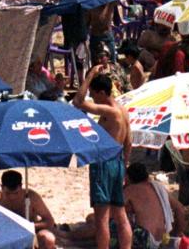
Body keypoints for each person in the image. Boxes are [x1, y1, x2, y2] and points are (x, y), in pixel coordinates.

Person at [74, 69, 133, 249]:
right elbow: (129, 141)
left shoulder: (109, 110)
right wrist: (125, 165)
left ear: (101, 92)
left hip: (104, 163)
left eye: (93, 94)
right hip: (118, 162)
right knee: (120, 214)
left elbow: (78, 102)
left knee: (102, 217)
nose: (92, 97)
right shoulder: (123, 111)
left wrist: (89, 75)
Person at [123, 162, 185, 247]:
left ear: (128, 178)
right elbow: (180, 209)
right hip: (164, 239)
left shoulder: (130, 190)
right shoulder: (158, 187)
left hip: (145, 240)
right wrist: (175, 235)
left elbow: (114, 212)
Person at [0, 170, 56, 249]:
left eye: (16, 193)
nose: (12, 197)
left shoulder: (31, 197)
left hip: (31, 232)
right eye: (8, 193)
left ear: (21, 186)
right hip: (4, 234)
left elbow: (49, 221)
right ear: (1, 187)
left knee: (47, 239)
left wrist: (28, 226)